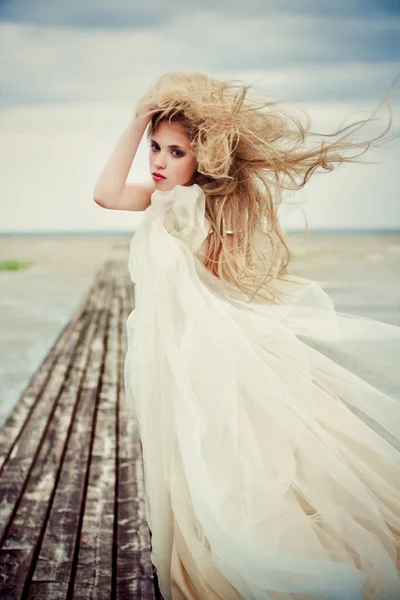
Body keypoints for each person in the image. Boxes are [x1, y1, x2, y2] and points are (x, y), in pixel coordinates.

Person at [93, 72, 400, 600]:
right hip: (169, 347)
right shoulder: (161, 198)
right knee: (194, 452)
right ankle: (212, 538)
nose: (159, 161)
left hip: (201, 347)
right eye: (155, 148)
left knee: (221, 450)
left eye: (176, 152)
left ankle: (239, 546)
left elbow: (216, 283)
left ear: (202, 160)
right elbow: (106, 194)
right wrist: (137, 118)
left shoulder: (199, 205)